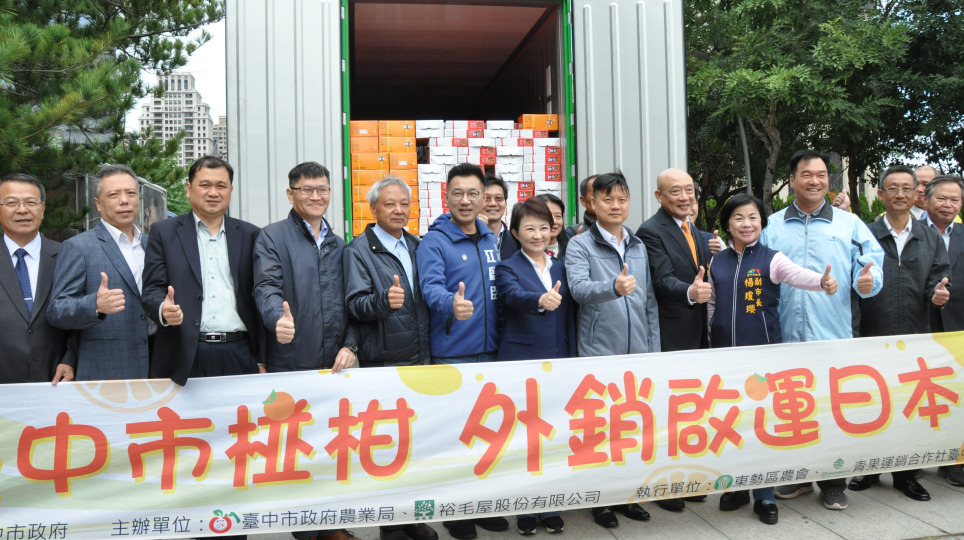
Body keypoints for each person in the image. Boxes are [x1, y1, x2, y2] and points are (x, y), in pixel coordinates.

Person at [761, 150, 884, 511]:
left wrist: (867, 282)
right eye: (806, 174)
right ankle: (798, 476)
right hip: (784, 333)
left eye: (821, 175)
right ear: (792, 180)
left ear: (829, 180)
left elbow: (871, 265)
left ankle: (833, 482)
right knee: (792, 408)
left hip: (834, 333)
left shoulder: (850, 224)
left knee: (832, 410)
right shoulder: (772, 225)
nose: (814, 181)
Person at [708, 193, 838, 524]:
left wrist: (822, 282)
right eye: (738, 217)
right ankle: (736, 487)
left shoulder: (773, 259)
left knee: (760, 425)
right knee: (731, 423)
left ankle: (764, 495)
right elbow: (712, 306)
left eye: (753, 217)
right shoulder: (716, 262)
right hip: (725, 358)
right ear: (727, 224)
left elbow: (799, 275)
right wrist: (710, 340)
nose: (746, 224)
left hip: (763, 359)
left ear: (762, 223)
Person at [252, 161, 360, 540]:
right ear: (290, 194)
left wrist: (350, 343)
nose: (316, 196)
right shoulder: (272, 237)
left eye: (322, 189)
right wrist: (276, 320)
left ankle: (332, 525)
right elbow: (266, 287)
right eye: (307, 189)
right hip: (292, 360)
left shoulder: (340, 245)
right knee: (296, 449)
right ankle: (304, 529)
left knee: (332, 445)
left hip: (334, 365)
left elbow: (352, 302)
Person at [847, 166, 952, 501]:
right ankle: (868, 469)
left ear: (916, 193)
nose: (900, 194)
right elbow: (852, 278)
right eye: (892, 188)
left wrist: (938, 294)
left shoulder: (929, 236)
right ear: (881, 194)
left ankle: (906, 475)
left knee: (910, 406)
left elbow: (939, 276)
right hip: (872, 333)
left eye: (907, 188)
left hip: (915, 335)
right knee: (872, 404)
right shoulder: (865, 234)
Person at [416, 162, 507, 540]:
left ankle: (481, 504)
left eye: (473, 194)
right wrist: (450, 304)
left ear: (484, 198)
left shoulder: (488, 239)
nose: (466, 201)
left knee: (486, 437)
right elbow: (430, 287)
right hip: (453, 353)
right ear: (446, 197)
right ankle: (456, 513)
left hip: (492, 353)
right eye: (458, 193)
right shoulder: (434, 241)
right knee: (456, 440)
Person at [344, 176, 436, 540]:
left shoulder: (417, 245)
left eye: (404, 204)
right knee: (388, 447)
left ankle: (413, 517)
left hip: (420, 359)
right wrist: (383, 301)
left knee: (416, 445)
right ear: (373, 208)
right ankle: (391, 523)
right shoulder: (358, 250)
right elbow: (354, 305)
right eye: (389, 204)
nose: (398, 210)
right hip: (384, 362)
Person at [566, 170, 658, 529]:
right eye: (607, 199)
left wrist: (653, 352)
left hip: (638, 353)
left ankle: (627, 495)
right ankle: (599, 499)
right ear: (592, 203)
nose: (616, 205)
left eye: (622, 199)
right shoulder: (580, 245)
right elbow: (578, 290)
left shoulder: (638, 246)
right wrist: (613, 287)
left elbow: (648, 303)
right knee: (598, 428)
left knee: (629, 426)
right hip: (599, 352)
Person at [143, 156, 266, 387]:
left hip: (239, 352)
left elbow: (259, 296)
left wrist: (261, 357)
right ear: (189, 189)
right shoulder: (164, 233)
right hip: (183, 352)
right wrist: (163, 309)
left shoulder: (251, 235)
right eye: (205, 185)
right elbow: (152, 289)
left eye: (221, 186)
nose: (213, 192)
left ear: (230, 191)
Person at [494, 197, 574, 535]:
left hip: (557, 362)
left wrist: (571, 359)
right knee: (523, 438)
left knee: (552, 435)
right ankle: (525, 507)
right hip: (521, 363)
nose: (538, 234)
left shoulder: (560, 268)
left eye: (544, 227)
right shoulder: (507, 267)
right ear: (515, 232)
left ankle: (550, 505)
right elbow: (512, 296)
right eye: (530, 228)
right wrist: (539, 299)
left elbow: (569, 319)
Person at [635, 167, 713, 512]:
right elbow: (661, 279)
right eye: (675, 191)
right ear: (659, 196)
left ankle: (687, 479)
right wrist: (689, 293)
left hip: (699, 332)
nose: (684, 197)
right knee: (666, 412)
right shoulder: (651, 231)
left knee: (690, 410)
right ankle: (662, 486)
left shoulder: (694, 229)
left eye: (689, 190)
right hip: (670, 332)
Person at [48, 165, 151, 380]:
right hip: (106, 368)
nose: (124, 200)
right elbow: (57, 310)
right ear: (98, 203)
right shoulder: (78, 247)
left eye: (131, 193)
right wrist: (95, 305)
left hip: (156, 367)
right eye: (114, 195)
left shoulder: (153, 245)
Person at [0, 173, 75, 384]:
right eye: (11, 203)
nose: (22, 210)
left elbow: (81, 315)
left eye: (30, 203)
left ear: (42, 209)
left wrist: (71, 359)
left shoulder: (67, 255)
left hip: (56, 380)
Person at [924, 174, 964, 486]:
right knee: (917, 395)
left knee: (954, 396)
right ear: (926, 199)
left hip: (957, 327)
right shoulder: (911, 231)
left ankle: (953, 460)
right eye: (942, 198)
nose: (948, 204)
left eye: (955, 199)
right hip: (918, 326)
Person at [482, 174, 518, 261]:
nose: (493, 203)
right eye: (486, 198)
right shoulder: (467, 240)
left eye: (498, 198)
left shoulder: (517, 240)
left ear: (505, 204)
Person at [535, 193, 568, 261]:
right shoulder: (528, 253)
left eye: (558, 216)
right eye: (548, 215)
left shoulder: (571, 249)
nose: (554, 221)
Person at [564, 174, 597, 239]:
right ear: (583, 201)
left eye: (607, 197)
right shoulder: (572, 232)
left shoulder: (619, 230)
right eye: (595, 195)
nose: (600, 200)